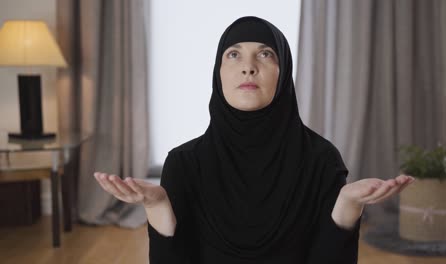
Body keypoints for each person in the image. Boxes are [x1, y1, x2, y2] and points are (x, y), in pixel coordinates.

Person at [94, 16, 414, 263]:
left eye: (265, 54)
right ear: (218, 74)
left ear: (283, 72)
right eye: (233, 55)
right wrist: (157, 206)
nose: (248, 67)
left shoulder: (321, 158)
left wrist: (348, 206)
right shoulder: (184, 162)